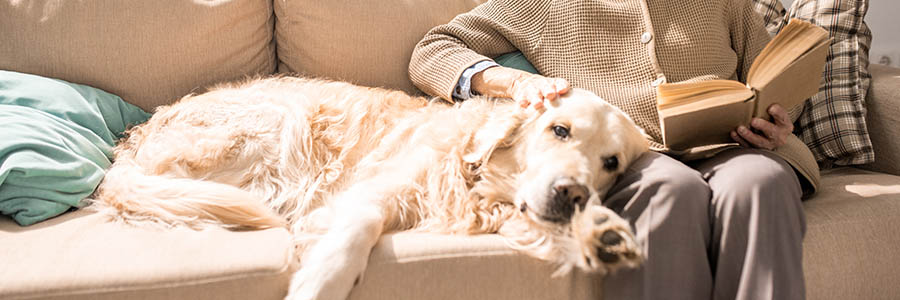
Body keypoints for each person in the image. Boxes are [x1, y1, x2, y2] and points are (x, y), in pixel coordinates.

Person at [408, 1, 819, 299]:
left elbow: (773, 80)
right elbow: (434, 49)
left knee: (762, 181)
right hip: (632, 157)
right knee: (671, 190)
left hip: (732, 143)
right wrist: (514, 83)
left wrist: (776, 120)